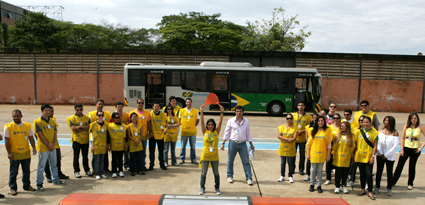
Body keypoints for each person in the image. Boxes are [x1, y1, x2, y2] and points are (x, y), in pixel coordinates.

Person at [4, 109, 37, 196]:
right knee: (13, 172)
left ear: (21, 116)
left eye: (17, 116)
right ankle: (13, 188)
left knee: (26, 171)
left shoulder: (27, 126)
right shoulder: (8, 127)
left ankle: (26, 185)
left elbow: (31, 137)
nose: (16, 118)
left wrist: (34, 148)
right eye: (14, 116)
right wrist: (9, 152)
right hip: (14, 154)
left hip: (25, 152)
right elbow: (6, 141)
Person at [34, 104, 66, 191]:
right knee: (41, 165)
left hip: (52, 146)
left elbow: (55, 133)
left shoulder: (52, 121)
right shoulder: (38, 122)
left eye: (49, 110)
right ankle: (39, 183)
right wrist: (48, 144)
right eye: (46, 111)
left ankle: (55, 179)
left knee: (54, 164)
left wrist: (52, 143)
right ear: (42, 111)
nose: (48, 112)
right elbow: (39, 134)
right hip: (44, 146)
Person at [220, 105, 255, 185]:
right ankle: (230, 176)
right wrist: (223, 143)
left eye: (240, 111)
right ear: (235, 112)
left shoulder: (246, 121)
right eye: (237, 111)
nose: (239, 113)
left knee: (246, 161)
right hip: (233, 143)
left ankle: (249, 178)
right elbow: (227, 132)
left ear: (243, 112)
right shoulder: (231, 121)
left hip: (243, 144)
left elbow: (248, 133)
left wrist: (251, 144)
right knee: (230, 161)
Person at [393, 112, 425, 190]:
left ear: (417, 119)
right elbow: (402, 138)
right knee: (400, 165)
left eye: (415, 118)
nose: (414, 120)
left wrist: (421, 148)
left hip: (415, 149)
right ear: (409, 119)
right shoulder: (406, 126)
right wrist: (402, 149)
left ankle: (410, 183)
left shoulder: (420, 127)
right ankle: (393, 181)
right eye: (412, 118)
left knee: (412, 166)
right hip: (406, 148)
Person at [199, 104, 224, 195]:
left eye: (212, 125)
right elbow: (201, 122)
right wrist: (201, 111)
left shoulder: (216, 132)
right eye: (209, 125)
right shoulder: (204, 131)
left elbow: (220, 122)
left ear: (214, 125)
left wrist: (222, 112)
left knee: (216, 173)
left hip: (214, 156)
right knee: (203, 173)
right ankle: (202, 188)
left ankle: (217, 188)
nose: (210, 126)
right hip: (205, 155)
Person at [373, 116, 399, 196]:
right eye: (384, 120)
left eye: (387, 120)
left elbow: (395, 146)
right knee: (379, 171)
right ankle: (377, 187)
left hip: (390, 156)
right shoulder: (380, 131)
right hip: (380, 155)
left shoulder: (395, 133)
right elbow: (378, 144)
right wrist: (381, 153)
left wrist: (386, 155)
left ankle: (389, 188)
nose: (385, 121)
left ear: (391, 122)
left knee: (389, 172)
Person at [355, 116, 378, 200]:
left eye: (367, 122)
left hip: (369, 156)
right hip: (360, 155)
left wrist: (372, 156)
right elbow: (356, 144)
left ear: (370, 123)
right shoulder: (358, 132)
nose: (365, 124)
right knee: (362, 174)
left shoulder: (374, 132)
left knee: (369, 174)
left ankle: (370, 192)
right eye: (364, 122)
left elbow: (375, 145)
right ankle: (362, 189)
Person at [307, 116, 332, 193]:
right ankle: (312, 184)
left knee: (320, 170)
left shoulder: (327, 130)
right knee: (313, 170)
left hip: (322, 153)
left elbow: (329, 144)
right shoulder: (311, 130)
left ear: (324, 122)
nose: (320, 122)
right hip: (314, 153)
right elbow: (308, 143)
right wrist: (308, 154)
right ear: (316, 122)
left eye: (322, 121)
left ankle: (319, 185)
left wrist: (328, 155)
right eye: (319, 121)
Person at [67, 104, 92, 178]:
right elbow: (73, 128)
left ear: (83, 109)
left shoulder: (87, 117)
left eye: (80, 109)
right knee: (76, 157)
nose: (79, 111)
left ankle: (87, 170)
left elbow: (88, 128)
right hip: (76, 140)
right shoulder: (72, 118)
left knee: (85, 157)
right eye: (77, 110)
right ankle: (76, 171)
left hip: (85, 140)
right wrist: (83, 127)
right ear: (75, 110)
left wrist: (79, 127)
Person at [45, 106, 69, 182]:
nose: (52, 113)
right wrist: (47, 143)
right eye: (50, 111)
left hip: (55, 144)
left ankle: (58, 173)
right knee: (47, 161)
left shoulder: (53, 120)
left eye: (52, 111)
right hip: (47, 145)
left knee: (58, 159)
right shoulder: (41, 121)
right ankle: (48, 176)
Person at [88, 99, 112, 173]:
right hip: (96, 138)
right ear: (96, 104)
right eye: (99, 104)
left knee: (104, 155)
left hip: (104, 137)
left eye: (102, 104)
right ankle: (94, 169)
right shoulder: (91, 114)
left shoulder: (108, 114)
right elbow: (90, 125)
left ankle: (105, 168)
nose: (100, 105)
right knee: (95, 156)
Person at [333, 121, 356, 194]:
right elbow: (334, 146)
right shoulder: (337, 135)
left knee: (345, 173)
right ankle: (337, 186)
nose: (341, 127)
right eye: (341, 126)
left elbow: (354, 147)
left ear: (347, 127)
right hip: (338, 157)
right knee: (338, 173)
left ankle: (344, 186)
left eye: (343, 126)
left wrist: (353, 157)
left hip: (347, 157)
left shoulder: (352, 136)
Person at [129, 98, 151, 171]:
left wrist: (149, 133)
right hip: (134, 137)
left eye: (142, 103)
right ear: (136, 103)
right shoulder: (132, 112)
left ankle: (142, 165)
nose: (140, 104)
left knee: (142, 152)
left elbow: (148, 124)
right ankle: (134, 166)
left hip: (143, 135)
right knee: (134, 152)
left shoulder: (147, 113)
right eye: (139, 103)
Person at [277, 114, 298, 183]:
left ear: (292, 119)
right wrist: (288, 139)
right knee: (283, 163)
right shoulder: (282, 127)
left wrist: (285, 139)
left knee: (290, 163)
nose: (289, 120)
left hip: (291, 148)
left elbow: (294, 138)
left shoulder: (295, 128)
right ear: (286, 119)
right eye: (288, 118)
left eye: (290, 118)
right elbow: (279, 136)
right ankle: (282, 176)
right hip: (283, 148)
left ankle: (290, 176)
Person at [292, 102, 311, 176]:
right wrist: (296, 132)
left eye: (302, 105)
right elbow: (290, 125)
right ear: (297, 106)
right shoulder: (293, 115)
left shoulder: (308, 117)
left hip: (303, 139)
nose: (301, 107)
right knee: (293, 154)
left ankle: (301, 169)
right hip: (294, 138)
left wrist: (302, 131)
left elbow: (309, 127)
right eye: (299, 105)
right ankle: (292, 168)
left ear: (304, 107)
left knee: (302, 155)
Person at [107, 112, 128, 178]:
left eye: (119, 117)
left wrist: (126, 143)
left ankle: (121, 171)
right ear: (113, 118)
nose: (118, 119)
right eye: (116, 118)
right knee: (114, 159)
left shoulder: (124, 126)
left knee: (120, 158)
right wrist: (109, 145)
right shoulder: (110, 126)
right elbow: (108, 136)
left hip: (121, 144)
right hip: (114, 145)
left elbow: (126, 136)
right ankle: (114, 171)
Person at [179, 98, 200, 164]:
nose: (188, 103)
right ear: (185, 103)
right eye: (187, 102)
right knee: (183, 146)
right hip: (184, 131)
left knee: (193, 146)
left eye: (190, 102)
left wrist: (193, 126)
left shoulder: (195, 111)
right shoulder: (181, 111)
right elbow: (179, 120)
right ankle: (182, 159)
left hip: (192, 131)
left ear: (191, 103)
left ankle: (193, 159)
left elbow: (197, 120)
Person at [89, 111, 109, 180]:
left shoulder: (106, 124)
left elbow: (107, 135)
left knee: (102, 160)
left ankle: (102, 173)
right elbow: (91, 135)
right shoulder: (93, 124)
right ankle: (97, 173)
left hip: (103, 145)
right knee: (97, 160)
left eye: (102, 115)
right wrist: (92, 145)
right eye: (99, 115)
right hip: (96, 145)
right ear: (96, 116)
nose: (100, 116)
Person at [112, 101, 131, 171]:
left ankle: (126, 165)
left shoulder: (127, 115)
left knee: (126, 152)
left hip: (124, 135)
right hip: (116, 137)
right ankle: (117, 166)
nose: (120, 108)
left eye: (121, 106)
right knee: (117, 153)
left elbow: (129, 123)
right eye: (118, 107)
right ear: (116, 107)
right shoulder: (113, 115)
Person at [149, 102, 167, 170]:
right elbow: (149, 124)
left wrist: (165, 129)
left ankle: (162, 164)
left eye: (158, 106)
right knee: (151, 152)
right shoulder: (150, 114)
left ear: (159, 107)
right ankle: (151, 165)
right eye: (155, 106)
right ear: (153, 107)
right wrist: (150, 132)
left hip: (160, 135)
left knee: (161, 151)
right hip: (152, 135)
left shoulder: (163, 114)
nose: (156, 108)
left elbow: (165, 124)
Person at [347, 115, 365, 187]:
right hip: (356, 151)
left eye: (362, 120)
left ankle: (364, 183)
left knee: (363, 169)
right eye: (360, 120)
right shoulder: (355, 130)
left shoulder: (370, 131)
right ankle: (352, 181)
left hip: (364, 152)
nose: (361, 122)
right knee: (353, 168)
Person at [324, 113, 341, 185]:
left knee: (338, 165)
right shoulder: (329, 127)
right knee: (328, 164)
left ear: (340, 119)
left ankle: (337, 179)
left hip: (339, 148)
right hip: (330, 148)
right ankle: (328, 178)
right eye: (334, 118)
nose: (336, 120)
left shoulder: (342, 127)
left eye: (337, 118)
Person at [304, 113, 318, 182]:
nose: (314, 119)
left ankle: (315, 175)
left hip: (317, 147)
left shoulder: (320, 128)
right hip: (310, 146)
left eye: (316, 118)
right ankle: (308, 174)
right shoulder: (308, 127)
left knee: (315, 162)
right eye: (313, 118)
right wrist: (309, 145)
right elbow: (307, 137)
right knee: (308, 160)